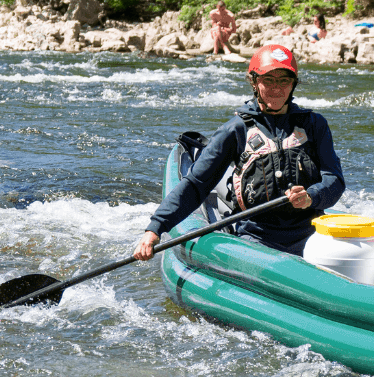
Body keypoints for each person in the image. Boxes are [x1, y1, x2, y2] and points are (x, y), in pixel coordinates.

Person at [133, 44, 345, 261]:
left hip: (310, 235)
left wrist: (312, 196)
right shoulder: (235, 130)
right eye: (268, 80)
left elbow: (335, 180)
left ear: (293, 84)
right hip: (258, 238)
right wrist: (155, 229)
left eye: (284, 80)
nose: (276, 88)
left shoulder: (314, 125)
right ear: (254, 82)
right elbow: (196, 185)